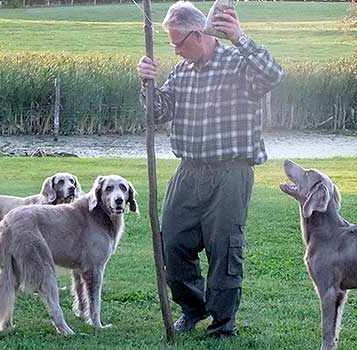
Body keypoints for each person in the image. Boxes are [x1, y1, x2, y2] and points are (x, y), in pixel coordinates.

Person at [137, 0, 283, 338]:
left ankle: (222, 323)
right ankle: (193, 309)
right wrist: (146, 85)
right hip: (189, 171)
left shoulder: (237, 64)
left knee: (224, 247)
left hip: (231, 173)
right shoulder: (182, 72)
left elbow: (273, 75)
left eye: (177, 43)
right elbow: (157, 114)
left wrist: (240, 38)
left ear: (197, 33)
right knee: (171, 241)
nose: (174, 51)